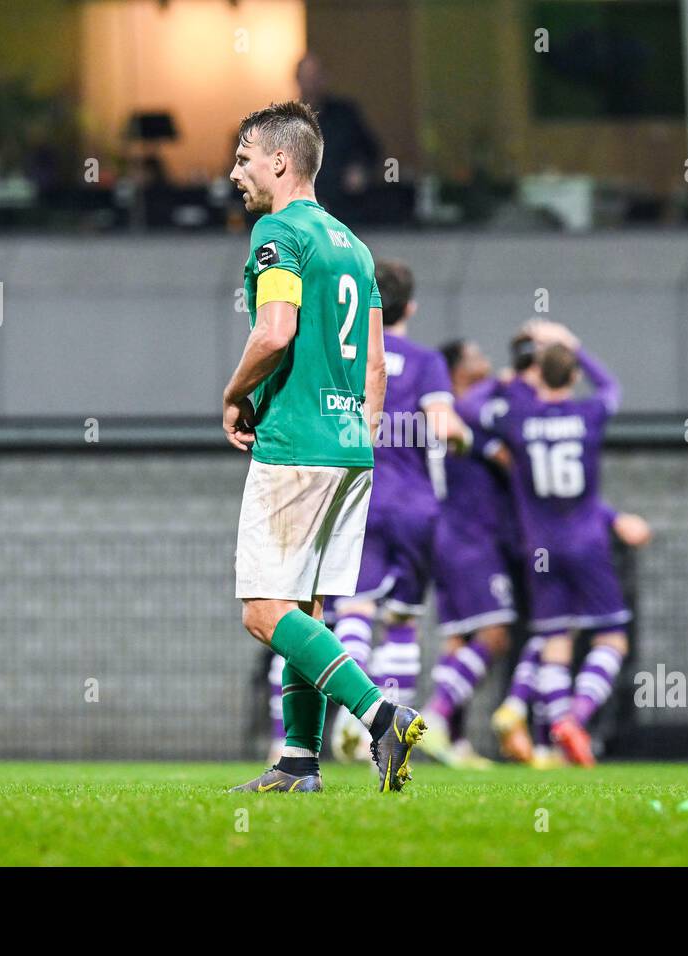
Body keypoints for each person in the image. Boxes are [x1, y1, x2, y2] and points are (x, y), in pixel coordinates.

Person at [221, 101, 425, 794]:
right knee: (303, 611)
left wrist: (234, 393)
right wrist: (358, 431)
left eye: (244, 157)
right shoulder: (352, 244)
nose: (235, 171)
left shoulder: (278, 234)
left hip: (296, 444)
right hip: (348, 447)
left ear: (280, 161)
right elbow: (377, 362)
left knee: (262, 611)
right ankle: (298, 763)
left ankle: (380, 714)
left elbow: (274, 332)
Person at [482, 325, 648, 767]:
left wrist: (509, 381)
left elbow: (470, 410)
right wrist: (575, 344)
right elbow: (612, 386)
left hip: (540, 548)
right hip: (588, 540)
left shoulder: (518, 418)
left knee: (555, 640)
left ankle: (557, 740)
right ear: (573, 377)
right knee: (612, 638)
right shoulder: (590, 414)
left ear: (539, 375)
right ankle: (574, 719)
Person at [327, 259, 467, 762]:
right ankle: (385, 735)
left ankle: (351, 713)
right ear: (410, 306)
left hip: (358, 498)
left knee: (355, 609)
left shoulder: (346, 358)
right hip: (414, 507)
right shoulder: (428, 361)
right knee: (403, 619)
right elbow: (445, 426)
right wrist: (465, 437)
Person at [416, 338, 520, 768]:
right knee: (495, 633)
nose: (486, 361)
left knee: (457, 642)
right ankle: (434, 717)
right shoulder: (464, 418)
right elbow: (508, 459)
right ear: (456, 371)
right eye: (477, 355)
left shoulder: (438, 420)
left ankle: (455, 743)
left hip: (442, 536)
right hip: (468, 538)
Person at [296, 54, 381, 224]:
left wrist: (360, 169)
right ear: (298, 80)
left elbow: (372, 150)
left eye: (315, 76)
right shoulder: (288, 119)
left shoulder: (346, 115)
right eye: (307, 77)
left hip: (345, 208)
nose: (311, 83)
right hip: (303, 210)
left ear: (324, 78)